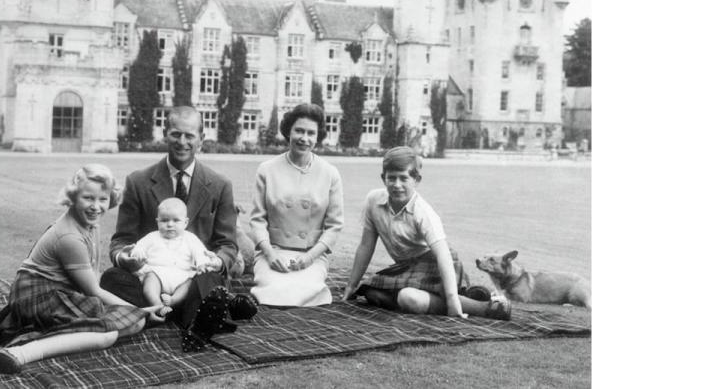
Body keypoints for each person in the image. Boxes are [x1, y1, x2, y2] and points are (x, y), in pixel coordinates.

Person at [0, 164, 161, 374]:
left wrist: (133, 313)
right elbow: (93, 291)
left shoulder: (90, 224)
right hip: (36, 295)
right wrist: (140, 310)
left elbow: (93, 278)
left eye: (103, 199)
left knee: (131, 323)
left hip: (59, 293)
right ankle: (19, 353)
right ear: (73, 196)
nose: (96, 206)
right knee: (109, 333)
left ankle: (54, 334)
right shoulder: (69, 237)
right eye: (88, 198)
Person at [100, 106, 257, 351]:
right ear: (165, 134)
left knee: (212, 280)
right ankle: (201, 315)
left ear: (201, 139)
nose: (182, 142)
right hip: (150, 276)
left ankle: (173, 313)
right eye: (175, 134)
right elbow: (121, 240)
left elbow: (227, 244)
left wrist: (217, 261)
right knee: (111, 278)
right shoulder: (138, 181)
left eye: (189, 135)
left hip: (195, 277)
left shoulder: (220, 185)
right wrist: (125, 257)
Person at [341, 147, 511, 320]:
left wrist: (452, 300)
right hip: (407, 267)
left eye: (403, 178)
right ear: (383, 178)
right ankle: (468, 295)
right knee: (370, 292)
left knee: (408, 298)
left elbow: (443, 255)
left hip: (438, 264)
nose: (397, 185)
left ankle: (485, 307)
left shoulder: (423, 212)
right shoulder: (373, 200)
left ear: (416, 180)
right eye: (391, 178)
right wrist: (351, 285)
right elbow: (366, 246)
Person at [249, 103, 343, 306]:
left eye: (311, 133)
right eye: (299, 131)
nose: (304, 138)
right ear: (288, 132)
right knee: (274, 290)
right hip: (273, 251)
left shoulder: (330, 173)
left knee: (306, 291)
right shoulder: (266, 170)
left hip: (311, 255)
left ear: (318, 137)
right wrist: (270, 254)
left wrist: (310, 257)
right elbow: (257, 221)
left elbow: (334, 226)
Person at [130, 197, 216, 317]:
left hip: (182, 275)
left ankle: (173, 301)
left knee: (189, 284)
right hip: (157, 273)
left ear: (185, 222)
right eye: (164, 220)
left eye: (176, 220)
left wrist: (202, 263)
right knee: (149, 282)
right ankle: (157, 305)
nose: (170, 224)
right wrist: (138, 252)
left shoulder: (190, 238)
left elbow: (200, 252)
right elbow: (139, 247)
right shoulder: (152, 237)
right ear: (157, 221)